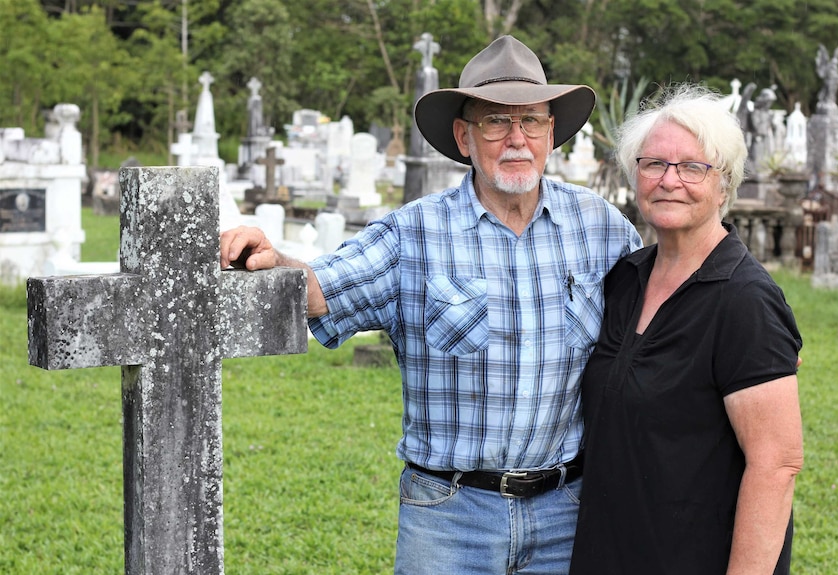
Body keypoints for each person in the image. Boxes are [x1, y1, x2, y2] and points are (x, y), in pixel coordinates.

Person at [221, 36, 641, 575]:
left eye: (531, 121)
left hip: (567, 511)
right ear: (464, 137)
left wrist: (737, 334)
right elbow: (322, 290)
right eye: (496, 122)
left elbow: (662, 311)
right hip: (449, 516)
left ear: (551, 133)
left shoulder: (600, 228)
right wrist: (271, 257)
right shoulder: (413, 233)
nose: (517, 139)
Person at [569, 84, 803, 575]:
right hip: (607, 553)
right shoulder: (624, 279)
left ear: (724, 184)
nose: (669, 180)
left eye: (692, 167)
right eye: (653, 164)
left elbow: (776, 465)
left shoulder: (745, 300)